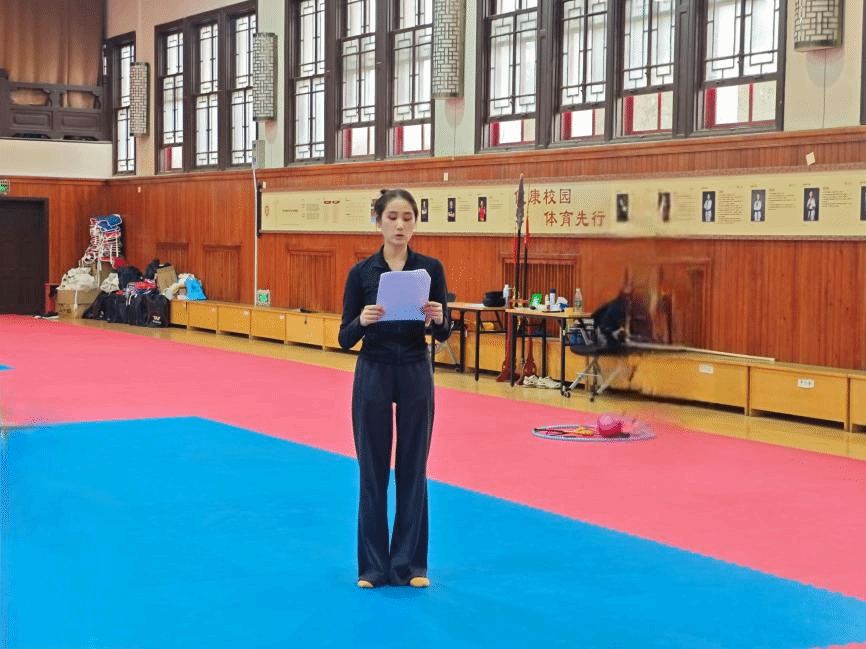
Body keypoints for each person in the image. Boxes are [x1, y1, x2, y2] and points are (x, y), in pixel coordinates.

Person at [338, 188, 451, 589]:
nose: (400, 225)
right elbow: (344, 337)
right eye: (392, 217)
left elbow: (444, 333)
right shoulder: (362, 273)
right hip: (374, 368)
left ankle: (409, 565)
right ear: (378, 221)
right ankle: (372, 567)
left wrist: (439, 317)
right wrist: (363, 320)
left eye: (407, 218)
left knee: (413, 467)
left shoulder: (430, 269)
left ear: (415, 223)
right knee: (372, 469)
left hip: (415, 367)